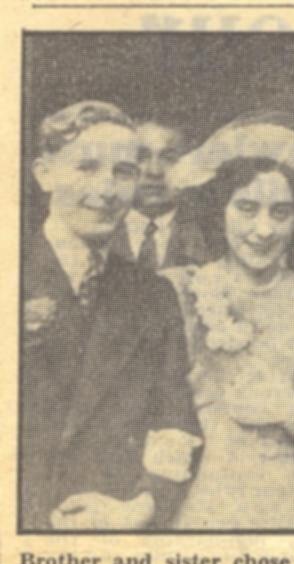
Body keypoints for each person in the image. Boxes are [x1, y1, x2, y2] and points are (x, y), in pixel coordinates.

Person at [22, 101, 201, 530]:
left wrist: (140, 507)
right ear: (44, 173)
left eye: (122, 172)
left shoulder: (152, 294)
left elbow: (174, 421)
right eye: (86, 167)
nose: (106, 190)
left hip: (118, 527)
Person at [161, 120, 294, 529]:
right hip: (197, 499)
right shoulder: (181, 290)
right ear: (217, 208)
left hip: (285, 500)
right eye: (246, 208)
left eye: (281, 212)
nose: (263, 230)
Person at [111, 120, 211, 269]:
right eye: (141, 157)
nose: (155, 171)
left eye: (168, 158)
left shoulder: (212, 240)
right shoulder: (96, 232)